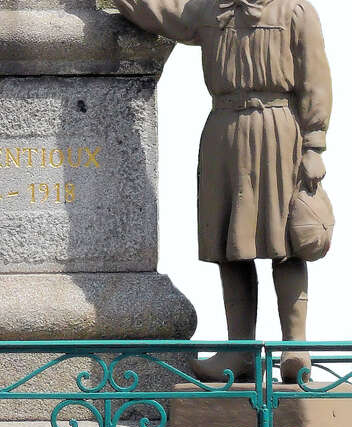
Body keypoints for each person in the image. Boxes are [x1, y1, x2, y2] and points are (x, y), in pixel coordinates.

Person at [113, 0, 332, 383]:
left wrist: (314, 144)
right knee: (231, 246)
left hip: (278, 130)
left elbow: (315, 79)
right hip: (224, 131)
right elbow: (162, 13)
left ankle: (295, 346)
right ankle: (239, 349)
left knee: (287, 241)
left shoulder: (295, 12)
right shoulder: (209, 10)